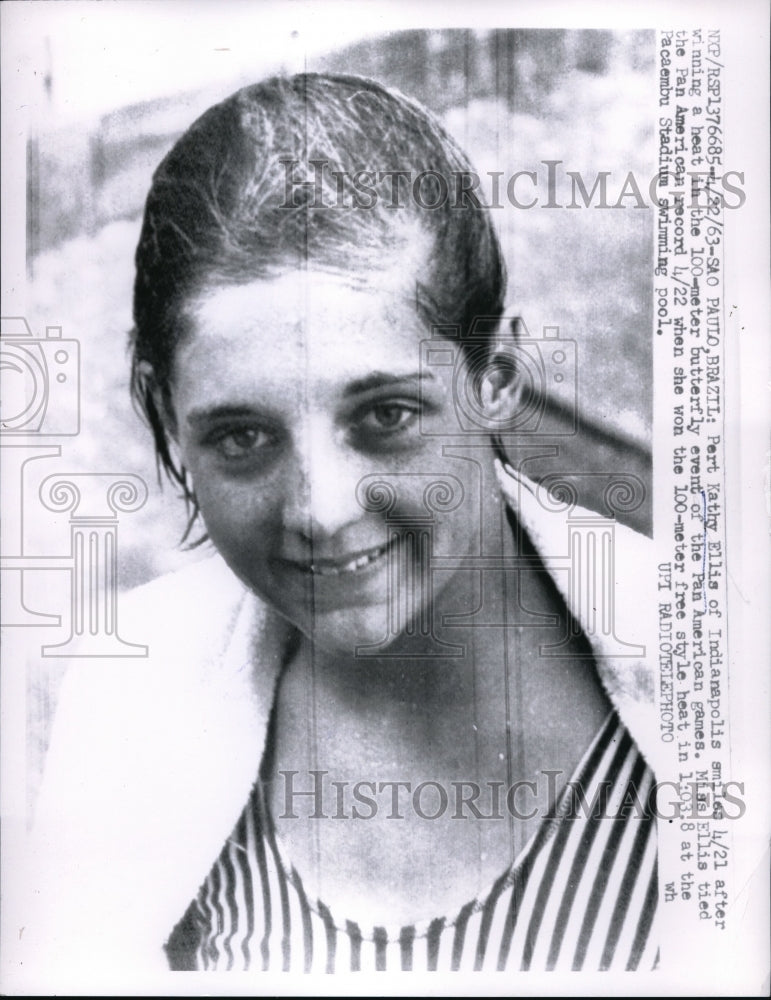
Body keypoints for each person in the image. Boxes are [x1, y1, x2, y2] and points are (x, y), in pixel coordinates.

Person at [23, 73, 661, 977]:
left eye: (385, 416)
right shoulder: (131, 698)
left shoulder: (721, 689)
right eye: (241, 437)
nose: (319, 509)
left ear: (498, 378)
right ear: (170, 424)